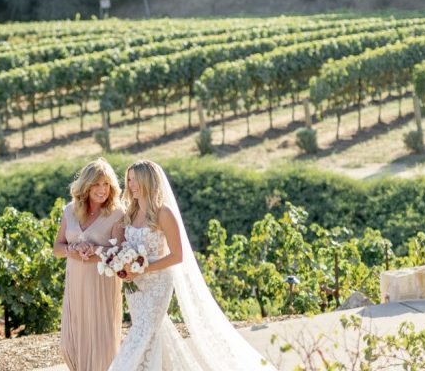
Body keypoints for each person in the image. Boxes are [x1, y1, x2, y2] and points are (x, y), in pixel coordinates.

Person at [108, 160, 277, 371]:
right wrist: (122, 266)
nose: (131, 184)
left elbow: (177, 256)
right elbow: (124, 247)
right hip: (135, 286)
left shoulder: (163, 213)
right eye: (129, 179)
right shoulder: (130, 214)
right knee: (152, 330)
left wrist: (144, 268)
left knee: (144, 330)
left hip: (158, 281)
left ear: (148, 181)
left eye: (135, 180)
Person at [53, 158, 125, 371]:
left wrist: (94, 253)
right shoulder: (70, 210)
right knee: (69, 344)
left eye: (106, 184)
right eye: (97, 184)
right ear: (86, 185)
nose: (102, 189)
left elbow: (119, 254)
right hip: (75, 281)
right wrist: (71, 252)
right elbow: (57, 247)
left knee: (100, 345)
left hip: (101, 283)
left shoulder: (117, 213)